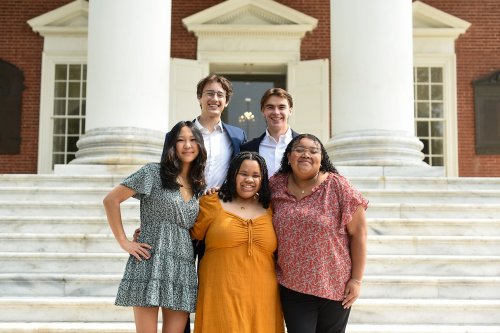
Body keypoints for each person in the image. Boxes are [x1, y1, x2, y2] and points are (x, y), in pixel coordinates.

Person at [103, 121, 207, 333]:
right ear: (172, 145)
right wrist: (124, 242)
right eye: (181, 140)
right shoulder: (153, 173)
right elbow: (110, 200)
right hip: (149, 259)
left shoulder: (198, 186)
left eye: (193, 140)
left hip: (182, 264)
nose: (187, 145)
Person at [269, 134, 368, 333]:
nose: (306, 154)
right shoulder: (275, 185)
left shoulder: (338, 186)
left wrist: (356, 280)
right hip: (292, 286)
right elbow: (246, 196)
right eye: (299, 149)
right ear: (288, 156)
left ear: (322, 158)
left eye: (313, 151)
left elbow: (359, 234)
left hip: (334, 285)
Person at [190, 151, 285, 333]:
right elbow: (188, 235)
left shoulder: (271, 208)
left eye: (256, 175)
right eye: (243, 173)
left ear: (262, 179)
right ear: (233, 174)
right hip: (220, 292)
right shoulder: (211, 202)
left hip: (263, 295)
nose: (249, 179)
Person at [161, 74, 246, 188]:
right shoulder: (175, 135)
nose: (215, 99)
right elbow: (166, 172)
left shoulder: (238, 136)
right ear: (199, 97)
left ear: (226, 102)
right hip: (183, 202)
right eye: (209, 93)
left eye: (220, 95)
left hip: (219, 203)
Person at [240, 88, 299, 177]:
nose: (276, 112)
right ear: (263, 111)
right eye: (270, 107)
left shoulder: (305, 145)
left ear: (290, 111)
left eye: (281, 107)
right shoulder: (248, 148)